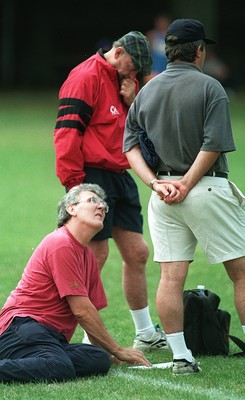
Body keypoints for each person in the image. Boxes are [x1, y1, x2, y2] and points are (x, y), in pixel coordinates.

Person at [123, 18, 245, 375]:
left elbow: (129, 146)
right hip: (204, 187)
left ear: (169, 50)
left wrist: (155, 184)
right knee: (241, 274)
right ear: (200, 51)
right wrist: (188, 184)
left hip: (163, 195)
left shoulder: (147, 90)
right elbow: (214, 144)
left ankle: (181, 357)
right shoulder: (211, 87)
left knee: (171, 278)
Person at [53, 31, 169, 351]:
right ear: (117, 53)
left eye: (138, 70)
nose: (134, 73)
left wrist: (133, 100)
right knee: (95, 255)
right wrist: (76, 186)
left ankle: (145, 333)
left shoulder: (126, 83)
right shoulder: (85, 77)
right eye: (132, 66)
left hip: (120, 173)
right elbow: (66, 133)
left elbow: (140, 130)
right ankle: (87, 339)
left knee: (137, 253)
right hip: (92, 176)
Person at [0, 183, 151, 383]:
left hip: (50, 336)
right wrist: (118, 349)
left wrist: (110, 352)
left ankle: (41, 359)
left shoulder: (87, 255)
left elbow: (90, 315)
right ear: (71, 209)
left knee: (99, 359)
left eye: (104, 206)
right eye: (92, 201)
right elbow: (81, 310)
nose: (101, 207)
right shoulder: (60, 243)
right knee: (59, 367)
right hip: (22, 327)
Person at [143, 13, 171, 83]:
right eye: (160, 22)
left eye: (164, 22)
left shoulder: (172, 36)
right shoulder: (151, 35)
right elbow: (146, 54)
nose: (162, 24)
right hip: (154, 70)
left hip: (167, 69)